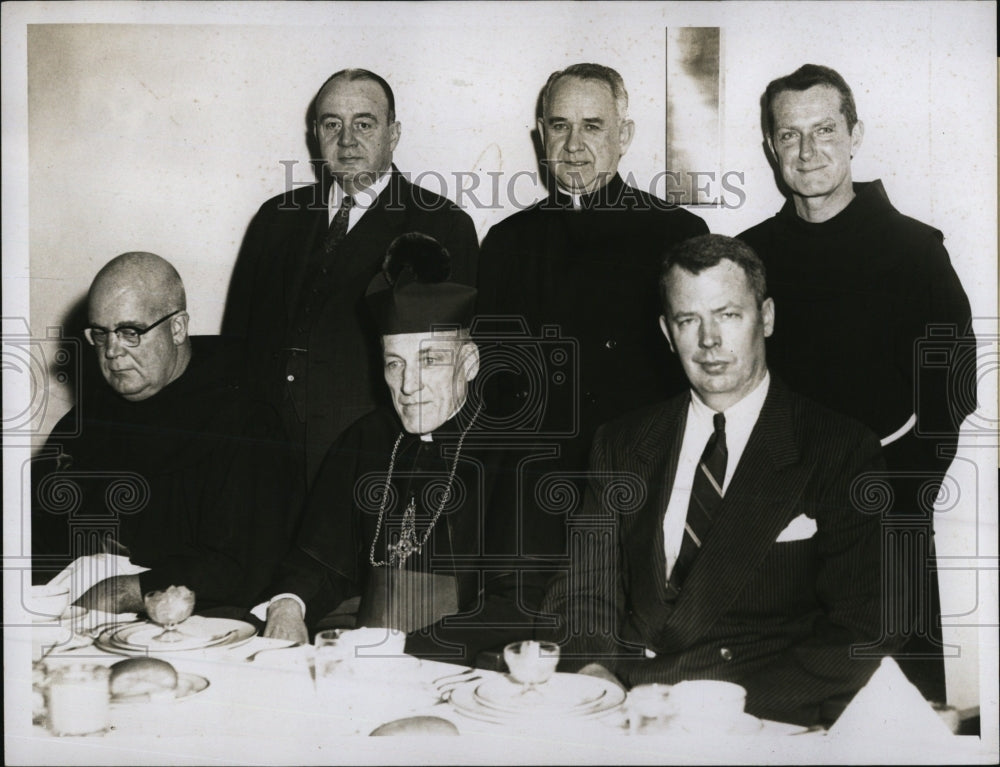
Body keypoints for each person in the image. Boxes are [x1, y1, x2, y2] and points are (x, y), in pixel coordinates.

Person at [541, 235, 895, 726]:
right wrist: (594, 670)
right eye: (689, 320)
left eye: (728, 315)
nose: (709, 341)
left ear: (766, 317)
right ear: (667, 332)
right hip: (623, 706)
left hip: (754, 718)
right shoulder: (622, 442)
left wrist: (726, 712)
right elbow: (583, 586)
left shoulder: (838, 448)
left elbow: (864, 628)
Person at [738, 64, 976, 701]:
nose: (808, 151)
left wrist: (893, 499)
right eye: (790, 136)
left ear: (854, 134)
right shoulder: (747, 258)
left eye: (824, 130)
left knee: (894, 715)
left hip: (885, 518)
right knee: (774, 710)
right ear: (771, 148)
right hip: (779, 525)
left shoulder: (915, 250)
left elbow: (952, 391)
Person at [261, 234, 536, 665]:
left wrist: (399, 652)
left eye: (429, 361)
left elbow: (517, 606)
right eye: (395, 364)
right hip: (363, 655)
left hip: (461, 667)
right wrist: (287, 606)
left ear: (469, 363)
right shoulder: (365, 440)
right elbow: (317, 562)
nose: (408, 386)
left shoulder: (515, 455)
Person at [476, 62, 709, 559]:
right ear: (541, 136)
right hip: (535, 501)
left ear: (623, 135)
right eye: (560, 126)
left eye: (593, 126)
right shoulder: (506, 243)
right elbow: (493, 395)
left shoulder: (678, 233)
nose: (574, 144)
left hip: (644, 491)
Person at [224, 68, 478, 489]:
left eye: (364, 123)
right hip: (263, 459)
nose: (346, 140)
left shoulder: (442, 223)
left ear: (393, 134)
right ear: (315, 134)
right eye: (332, 124)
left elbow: (444, 370)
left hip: (367, 459)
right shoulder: (274, 219)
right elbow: (238, 341)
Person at [32, 252, 295, 615]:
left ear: (177, 328)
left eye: (130, 332)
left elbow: (241, 563)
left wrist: (127, 592)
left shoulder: (243, 420)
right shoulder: (85, 421)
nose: (111, 351)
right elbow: (34, 536)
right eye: (100, 334)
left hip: (195, 620)